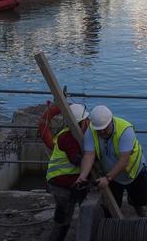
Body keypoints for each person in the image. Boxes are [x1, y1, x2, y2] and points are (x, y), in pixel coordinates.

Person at [77, 105, 147, 217]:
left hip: (134, 173)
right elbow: (89, 155)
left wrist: (107, 178)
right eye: (99, 130)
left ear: (111, 121)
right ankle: (111, 225)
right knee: (111, 206)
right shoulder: (91, 131)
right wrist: (83, 176)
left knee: (141, 201)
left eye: (105, 128)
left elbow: (124, 160)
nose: (102, 132)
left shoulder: (125, 130)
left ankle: (139, 211)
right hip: (112, 177)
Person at [46, 103, 90, 241]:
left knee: (65, 213)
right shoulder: (69, 137)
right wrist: (92, 159)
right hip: (61, 182)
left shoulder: (71, 134)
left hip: (65, 180)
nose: (89, 123)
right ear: (81, 122)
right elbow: (75, 159)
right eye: (86, 120)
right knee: (63, 217)